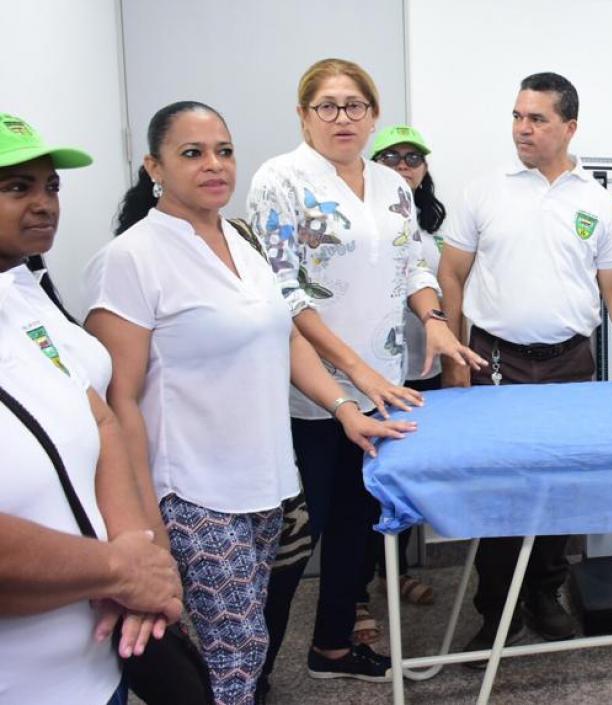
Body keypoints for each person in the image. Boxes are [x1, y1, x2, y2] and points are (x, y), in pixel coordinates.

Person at [83, 100, 415, 705]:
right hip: (194, 496)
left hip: (269, 484)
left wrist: (344, 410)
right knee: (230, 663)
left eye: (224, 151)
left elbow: (286, 336)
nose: (214, 165)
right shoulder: (131, 259)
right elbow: (117, 402)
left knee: (246, 646)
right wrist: (144, 525)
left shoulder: (240, 240)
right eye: (192, 153)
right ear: (153, 166)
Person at [246, 58, 484, 687]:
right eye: (326, 105)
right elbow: (284, 291)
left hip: (387, 385)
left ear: (373, 115)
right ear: (303, 115)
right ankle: (249, 676)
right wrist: (352, 371)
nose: (342, 118)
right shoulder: (281, 180)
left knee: (360, 521)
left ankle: (331, 649)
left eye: (355, 105)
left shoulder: (391, 186)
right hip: (315, 393)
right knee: (297, 541)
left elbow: (414, 268)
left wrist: (434, 319)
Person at [437, 72, 612, 661]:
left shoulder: (594, 201)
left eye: (537, 119)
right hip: (496, 360)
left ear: (569, 128)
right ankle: (496, 610)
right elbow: (452, 275)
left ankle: (544, 596)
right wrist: (452, 357)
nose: (523, 128)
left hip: (569, 363)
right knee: (500, 490)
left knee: (559, 488)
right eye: (517, 116)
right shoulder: (483, 191)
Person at [0, 112, 183, 705]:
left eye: (50, 186)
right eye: (16, 188)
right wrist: (118, 569)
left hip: (95, 663)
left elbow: (97, 418)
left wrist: (138, 548)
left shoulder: (21, 295)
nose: (45, 205)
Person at [350, 125, 450, 638]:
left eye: (414, 157)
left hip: (422, 374)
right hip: (372, 380)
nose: (404, 165)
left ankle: (400, 571)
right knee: (367, 487)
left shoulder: (432, 232)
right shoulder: (361, 226)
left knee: (407, 481)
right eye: (392, 156)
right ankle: (358, 594)